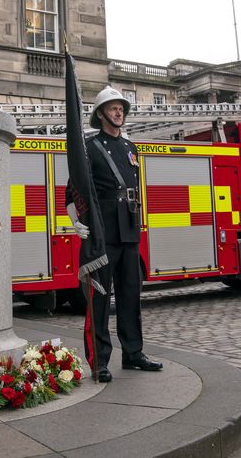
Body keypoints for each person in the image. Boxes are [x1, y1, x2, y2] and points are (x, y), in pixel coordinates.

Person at [65, 87, 162, 382]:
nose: (118, 111)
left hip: (129, 230)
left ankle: (133, 353)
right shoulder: (90, 147)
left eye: (121, 107)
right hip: (104, 231)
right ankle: (99, 361)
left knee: (131, 296)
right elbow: (74, 187)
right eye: (112, 107)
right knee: (99, 299)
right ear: (100, 113)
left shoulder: (131, 149)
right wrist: (75, 220)